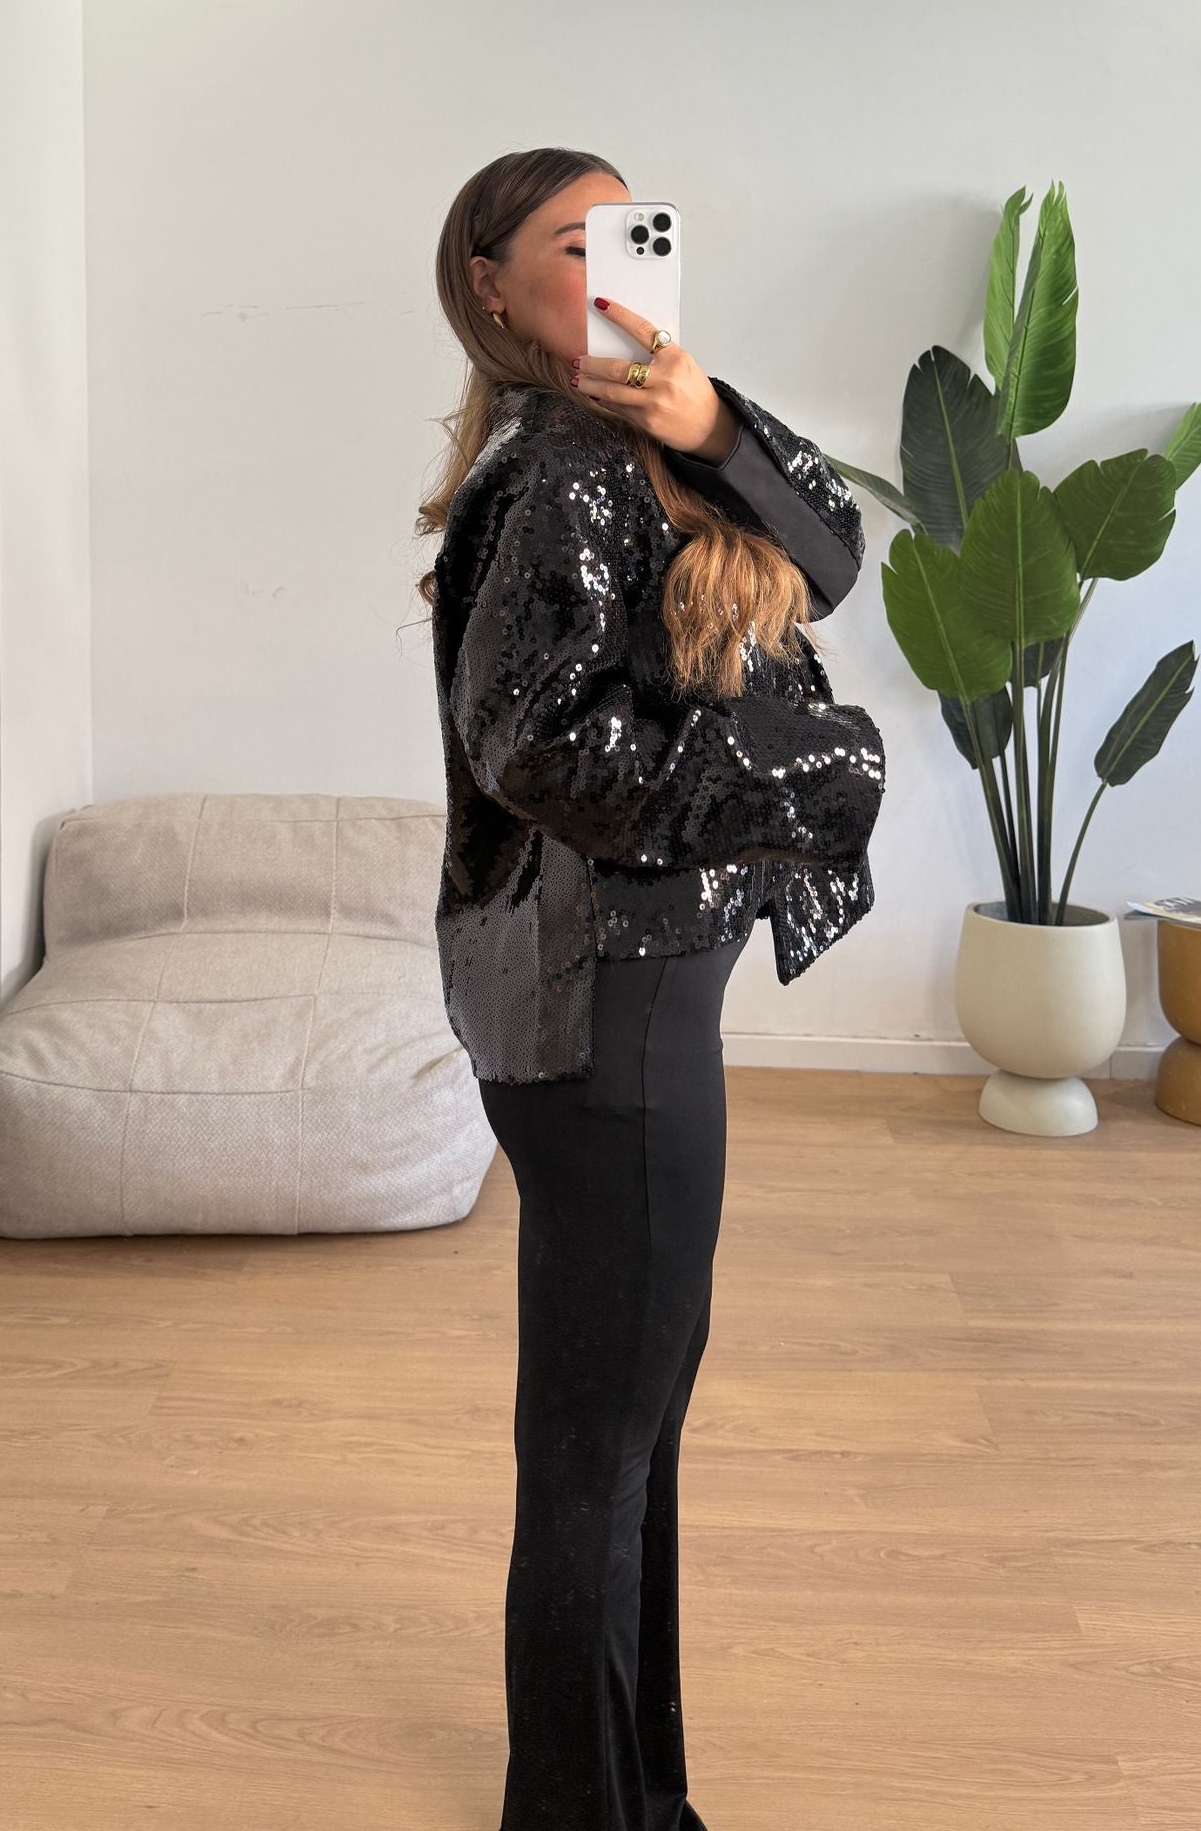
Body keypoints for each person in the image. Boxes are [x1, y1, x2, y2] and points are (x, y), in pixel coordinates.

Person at [418, 148, 886, 1831]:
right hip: (601, 1010)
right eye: (571, 240)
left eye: (632, 231)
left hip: (627, 1000)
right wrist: (809, 762)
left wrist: (708, 421)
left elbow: (830, 550)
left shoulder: (637, 440)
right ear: (490, 286)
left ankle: (630, 1796)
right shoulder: (556, 471)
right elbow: (541, 748)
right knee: (599, 1448)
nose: (613, 262)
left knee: (624, 1428)